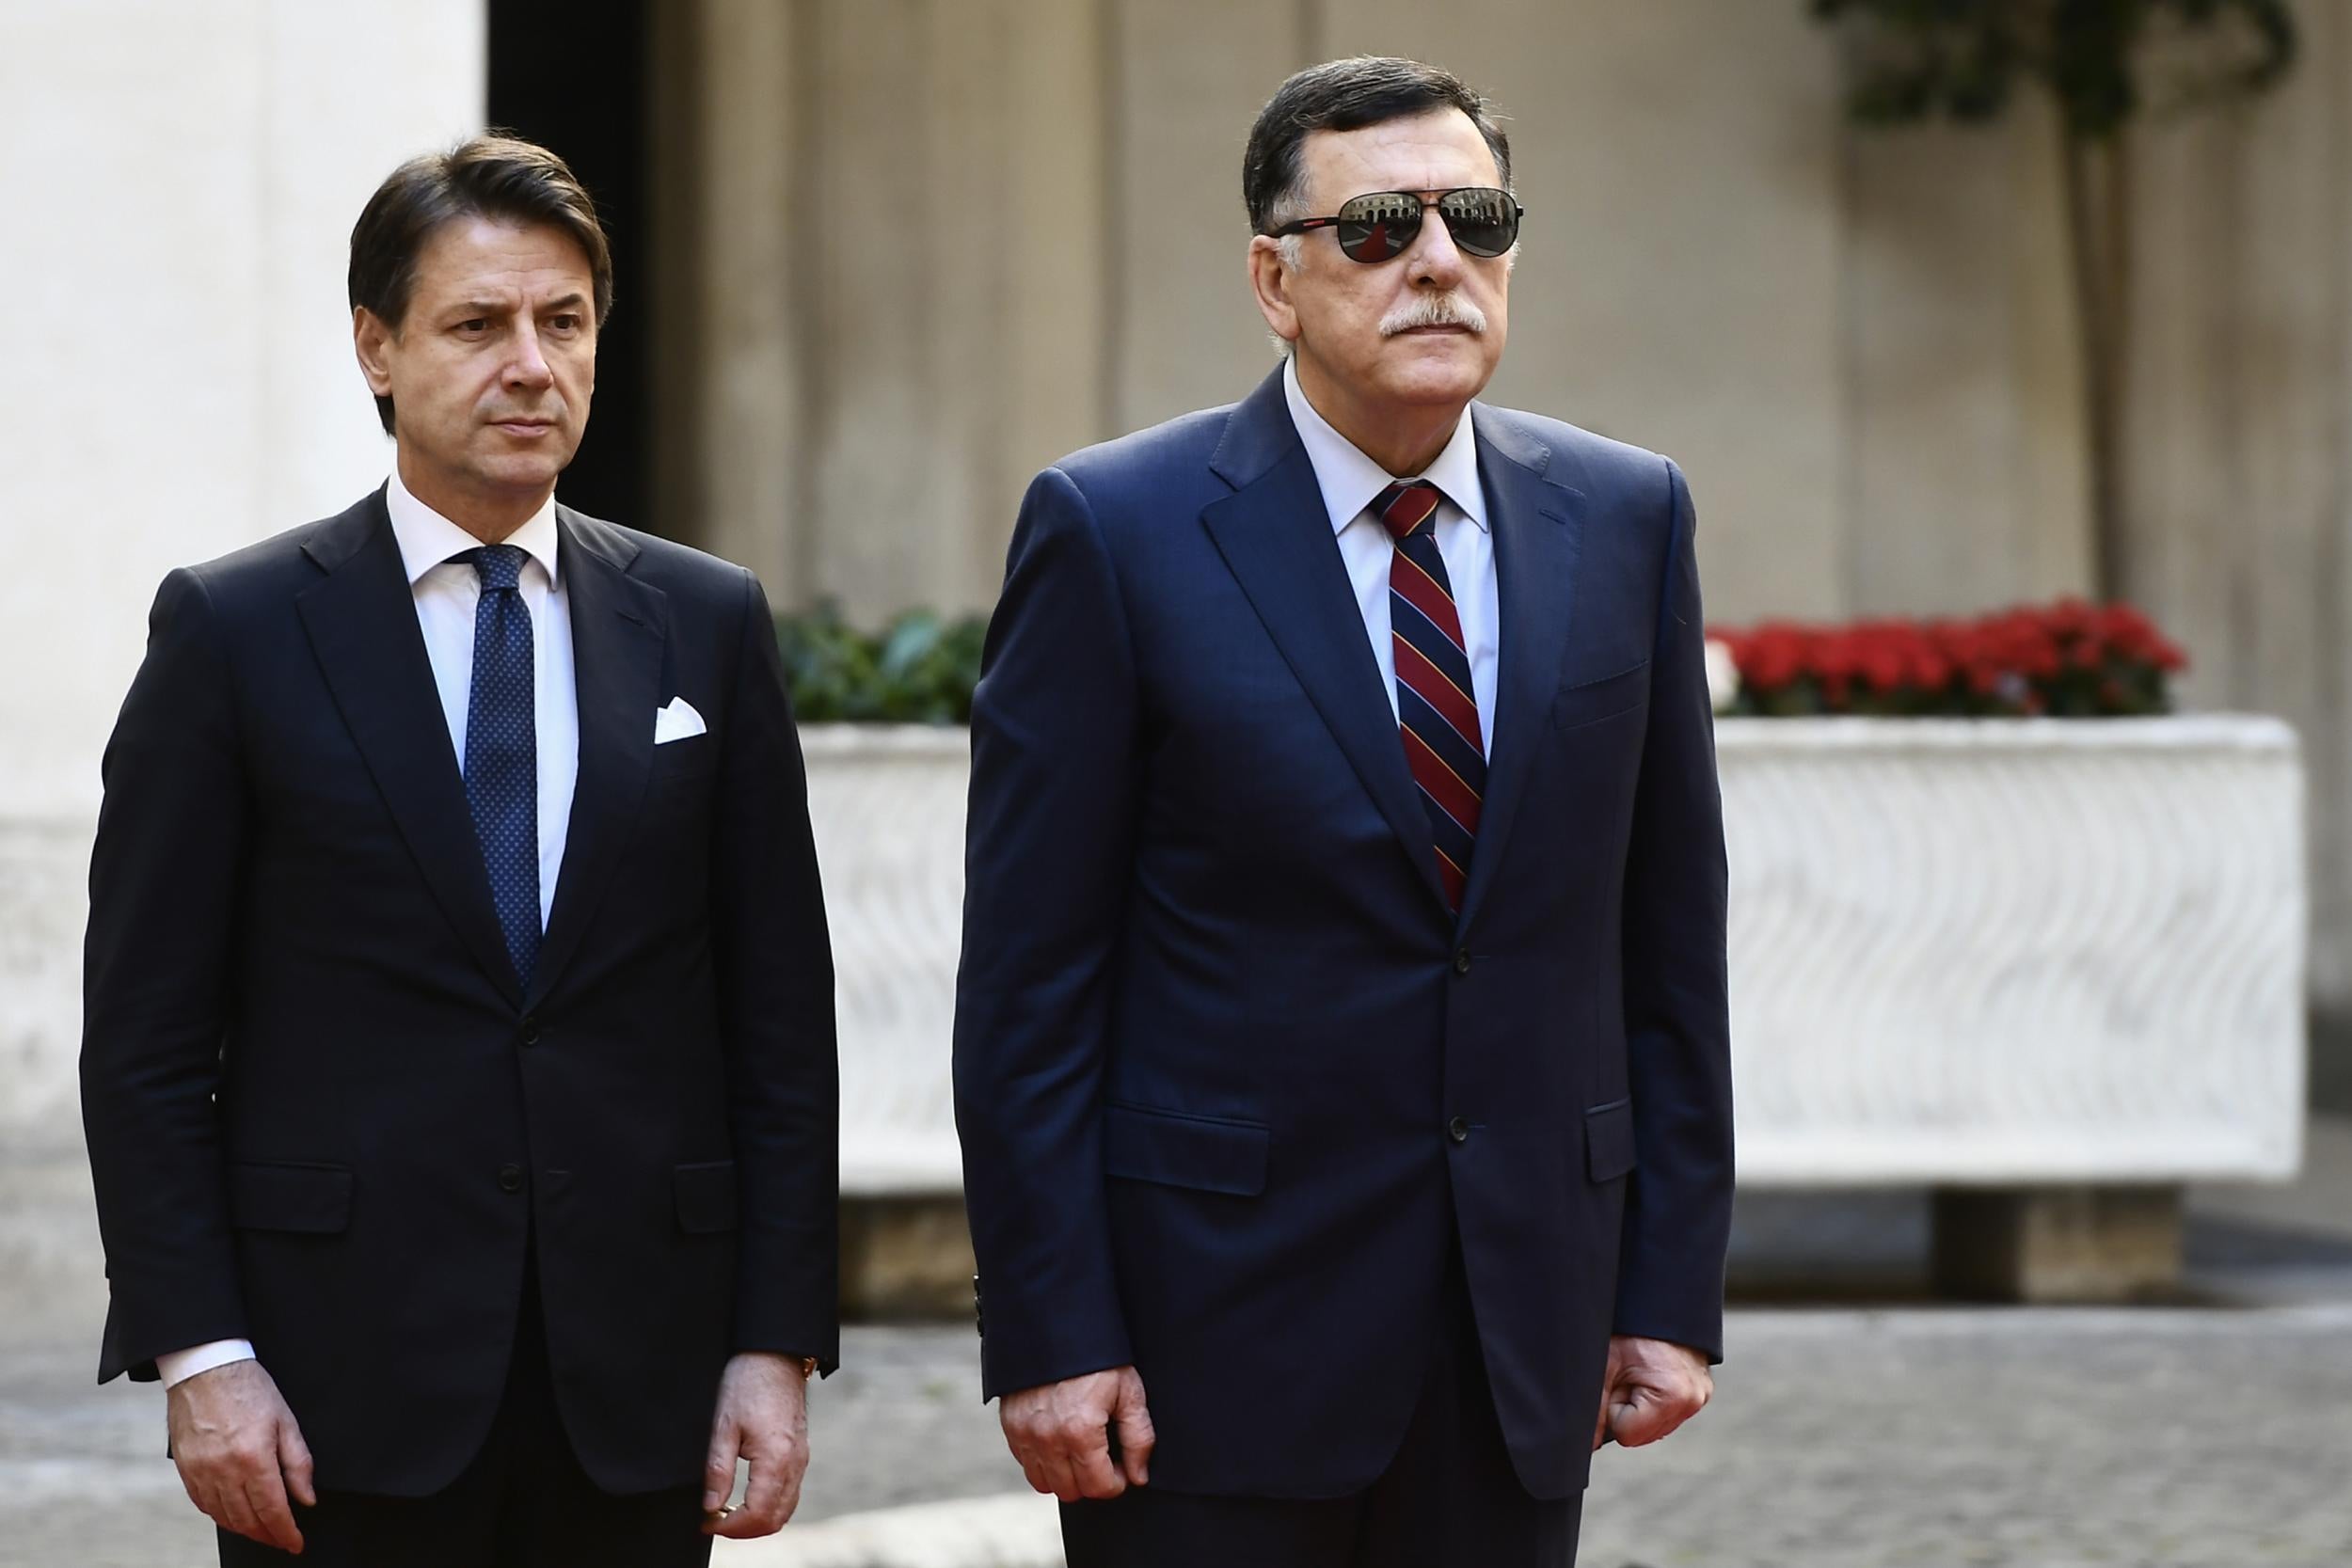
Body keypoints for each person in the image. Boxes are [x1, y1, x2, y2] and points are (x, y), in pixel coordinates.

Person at [953, 57, 1733, 1567]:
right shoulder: (1113, 531)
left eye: (1477, 221)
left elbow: (1666, 938)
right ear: (1275, 278)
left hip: (1524, 1335)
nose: (1439, 262)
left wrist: (1666, 1287)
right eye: (1378, 227)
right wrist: (1053, 1326)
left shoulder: (1630, 517)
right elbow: (1033, 981)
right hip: (1206, 1350)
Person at [79, 134, 838, 1566]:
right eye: (478, 325)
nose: (532, 366)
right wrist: (202, 1356)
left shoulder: (706, 622)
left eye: (564, 324)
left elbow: (780, 1021)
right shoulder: (235, 634)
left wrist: (776, 1344)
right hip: (331, 1391)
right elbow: (147, 1043)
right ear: (376, 348)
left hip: (638, 1381)